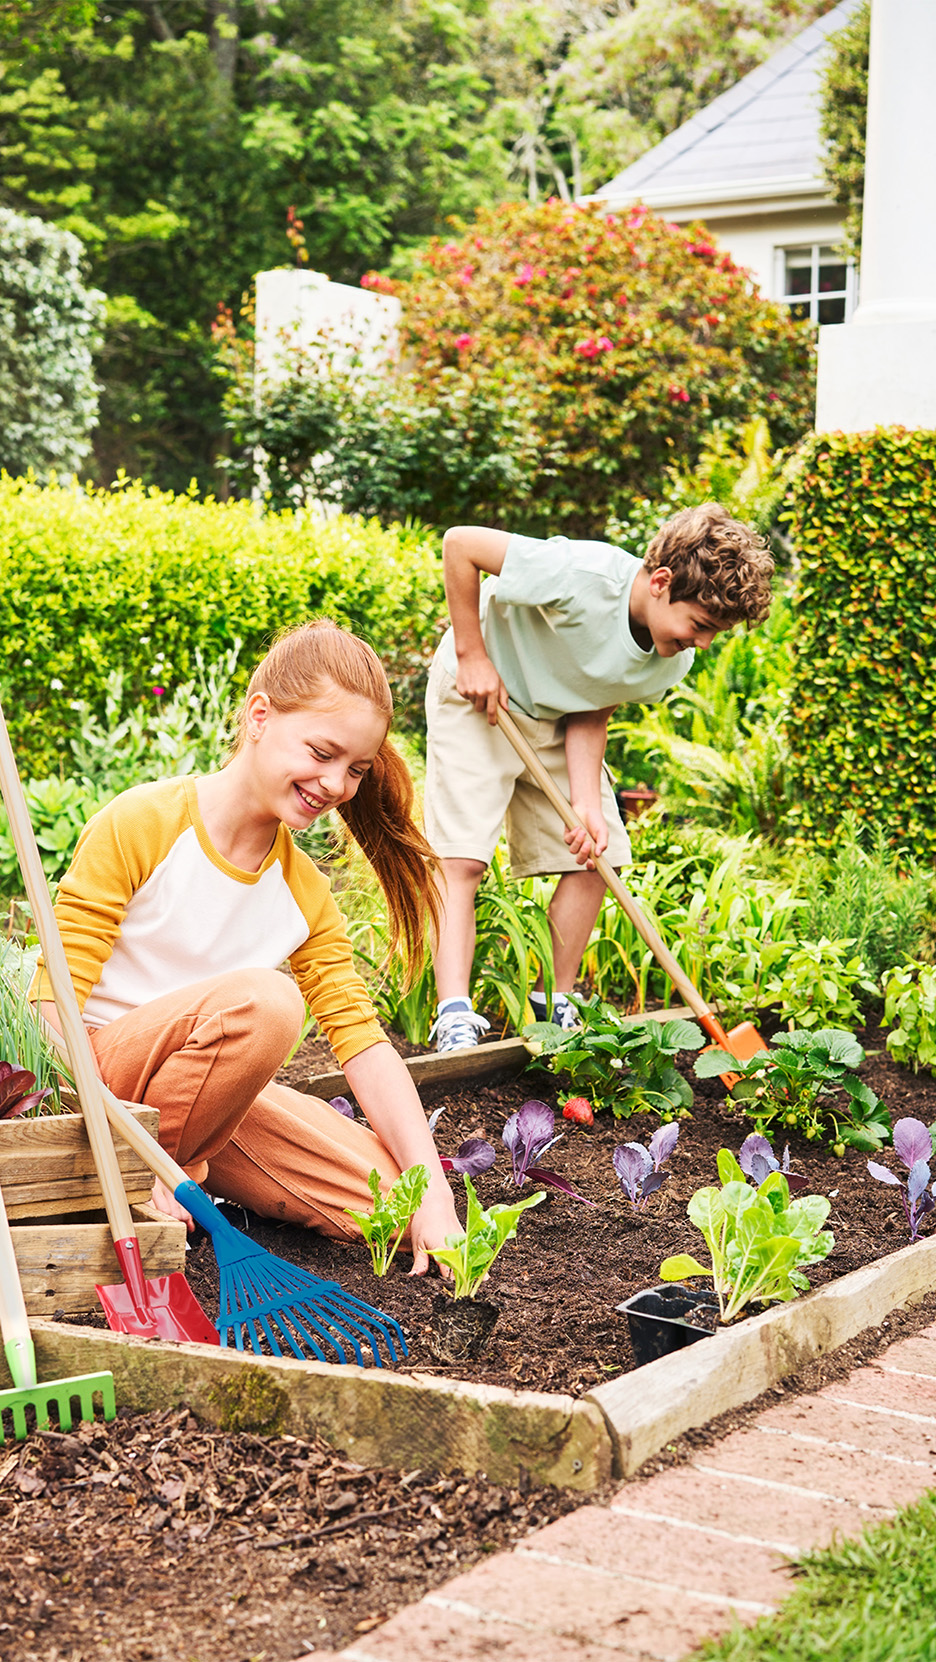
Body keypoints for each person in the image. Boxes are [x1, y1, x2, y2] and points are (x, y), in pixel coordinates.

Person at [32, 621, 460, 1272]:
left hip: (203, 1103)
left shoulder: (303, 890)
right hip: (91, 1080)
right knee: (266, 1004)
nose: (336, 784)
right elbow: (48, 1011)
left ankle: (179, 1173)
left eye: (355, 769)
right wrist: (134, 1144)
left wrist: (434, 1194)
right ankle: (156, 1174)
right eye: (322, 752)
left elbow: (364, 1045)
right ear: (260, 716)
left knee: (397, 1205)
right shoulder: (143, 824)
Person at [424, 502, 774, 1052]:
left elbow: (594, 702)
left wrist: (587, 801)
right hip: (480, 697)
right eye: (700, 625)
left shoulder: (672, 658)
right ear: (661, 582)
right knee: (462, 858)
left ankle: (552, 1004)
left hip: (557, 716)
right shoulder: (580, 575)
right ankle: (454, 1015)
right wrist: (472, 654)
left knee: (596, 855)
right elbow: (460, 543)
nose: (704, 643)